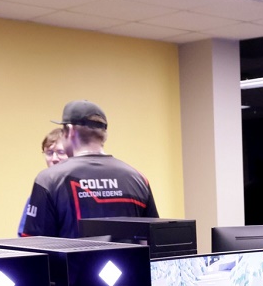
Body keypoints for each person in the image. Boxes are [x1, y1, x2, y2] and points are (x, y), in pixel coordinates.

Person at [21, 100, 159, 238]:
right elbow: (156, 241)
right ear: (104, 134)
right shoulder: (138, 179)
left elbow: (35, 246)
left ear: (70, 131)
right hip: (131, 260)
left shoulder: (49, 180)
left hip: (74, 260)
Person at [17, 128, 71, 234]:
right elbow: (25, 235)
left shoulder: (82, 189)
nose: (54, 159)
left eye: (61, 152)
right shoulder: (40, 194)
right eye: (49, 153)